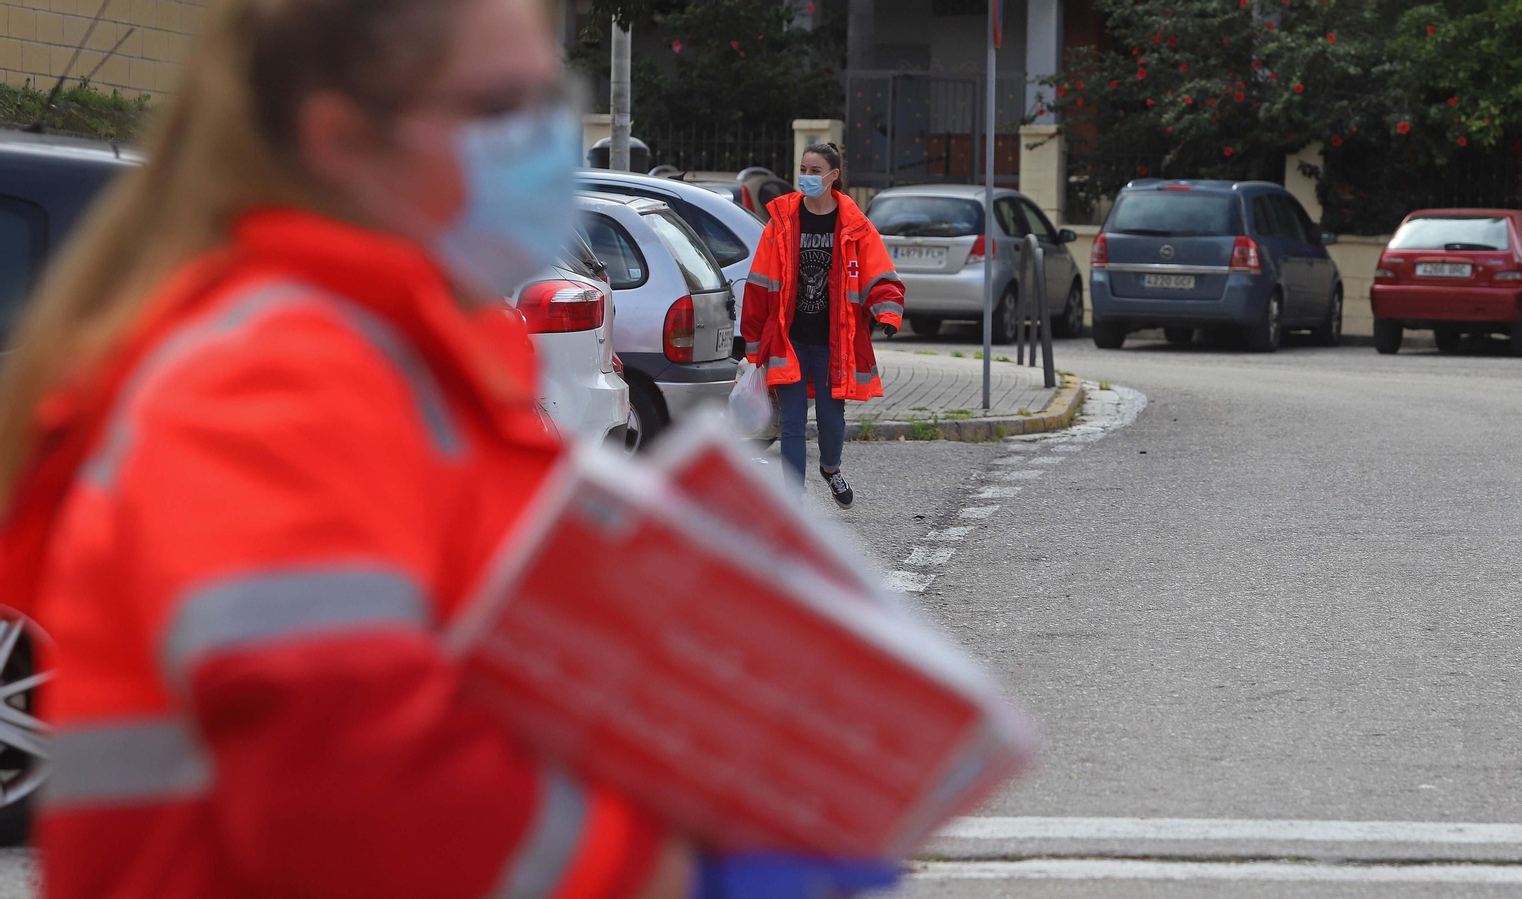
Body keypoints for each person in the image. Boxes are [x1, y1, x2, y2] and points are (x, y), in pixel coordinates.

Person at [0, 0, 897, 896]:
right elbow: (344, 781)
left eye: (549, 100)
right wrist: (670, 870)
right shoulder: (267, 385)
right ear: (344, 140)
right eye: (501, 106)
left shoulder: (419, 362)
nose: (547, 143)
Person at [739, 143, 904, 507]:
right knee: (792, 421)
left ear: (833, 176)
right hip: (789, 340)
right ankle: (794, 501)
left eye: (815, 171)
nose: (807, 177)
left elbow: (880, 276)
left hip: (834, 343)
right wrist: (753, 344)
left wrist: (888, 314)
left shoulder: (856, 226)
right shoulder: (781, 222)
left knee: (832, 420)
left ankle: (831, 469)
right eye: (803, 169)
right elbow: (759, 284)